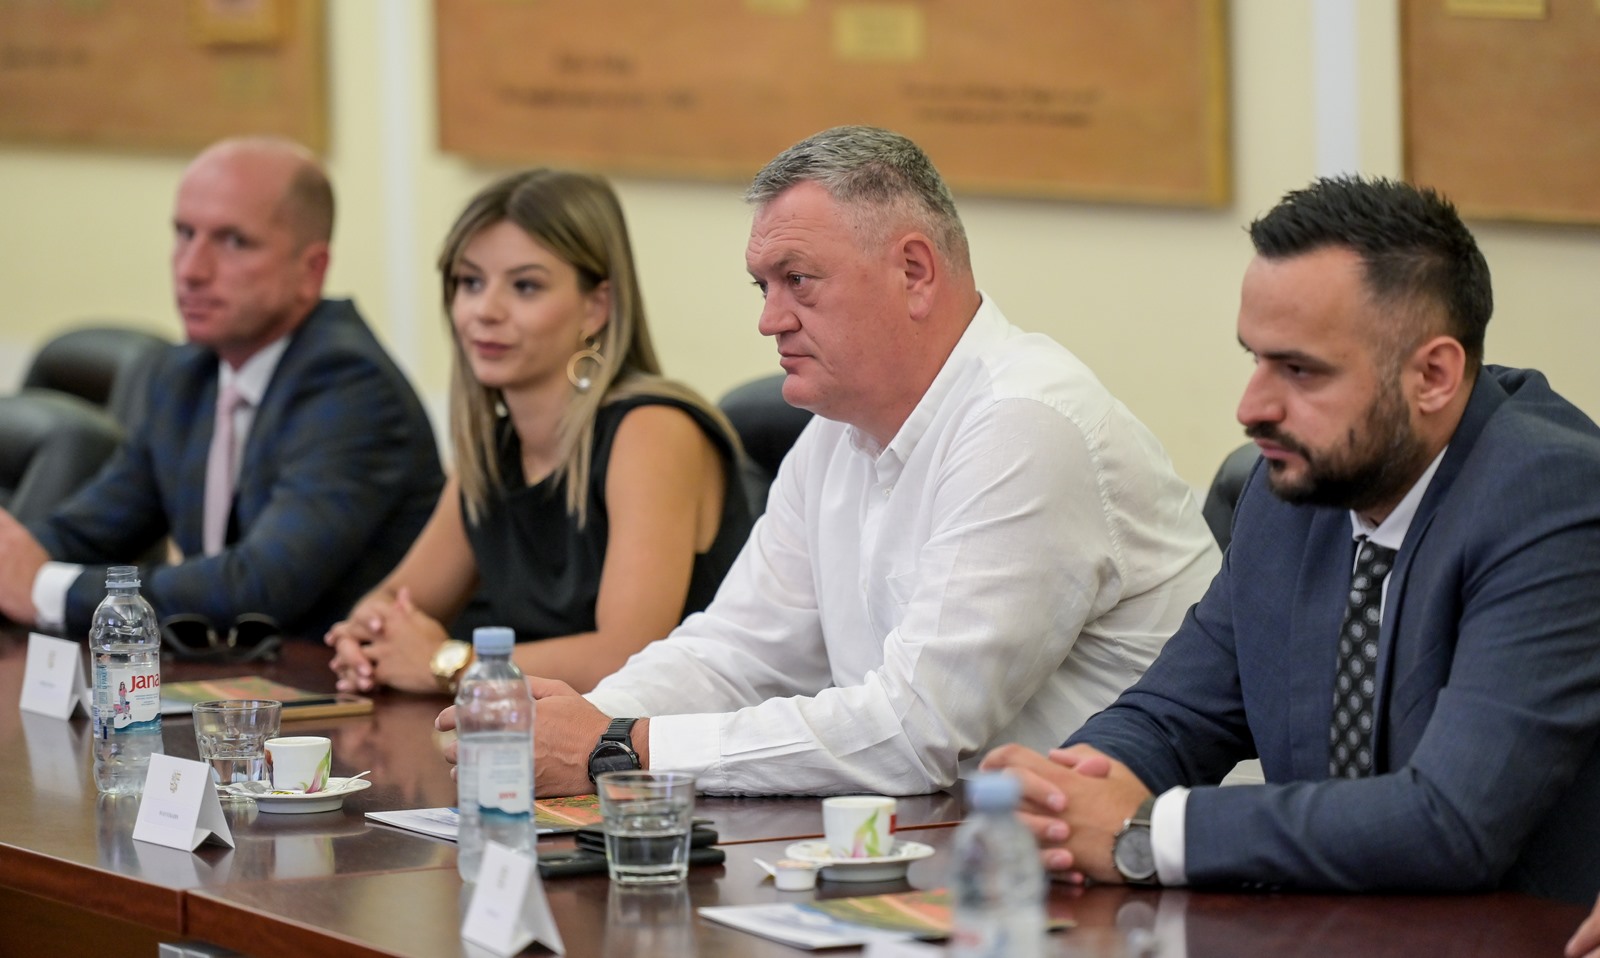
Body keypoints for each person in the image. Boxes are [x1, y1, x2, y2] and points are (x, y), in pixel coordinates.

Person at [438, 125, 1219, 796]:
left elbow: (916, 731)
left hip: (1140, 876)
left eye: (798, 282)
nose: (770, 320)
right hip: (956, 844)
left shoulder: (1026, 425)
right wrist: (568, 724)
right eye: (763, 286)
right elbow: (734, 655)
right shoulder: (835, 432)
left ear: (914, 272)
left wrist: (618, 747)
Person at [982, 175, 1600, 904]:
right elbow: (1175, 715)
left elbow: (1450, 823)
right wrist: (1066, 794)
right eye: (1256, 359)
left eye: (1300, 370)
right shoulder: (1294, 491)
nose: (1252, 408)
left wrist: (1147, 832)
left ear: (1433, 375)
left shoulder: (1550, 497)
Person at [324, 169, 751, 695]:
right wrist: (366, 638)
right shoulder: (495, 450)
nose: (485, 311)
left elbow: (628, 655)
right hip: (543, 734)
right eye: (470, 283)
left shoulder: (653, 430)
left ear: (596, 307)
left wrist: (448, 663)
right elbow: (396, 599)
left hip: (671, 739)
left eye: (525, 286)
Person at [0, 137, 442, 639]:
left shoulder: (350, 388)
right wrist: (13, 560)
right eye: (184, 234)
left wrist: (45, 590)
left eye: (234, 242)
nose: (191, 270)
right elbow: (90, 530)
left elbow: (258, 587)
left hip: (340, 679)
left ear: (311, 270)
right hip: (228, 677)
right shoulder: (185, 373)